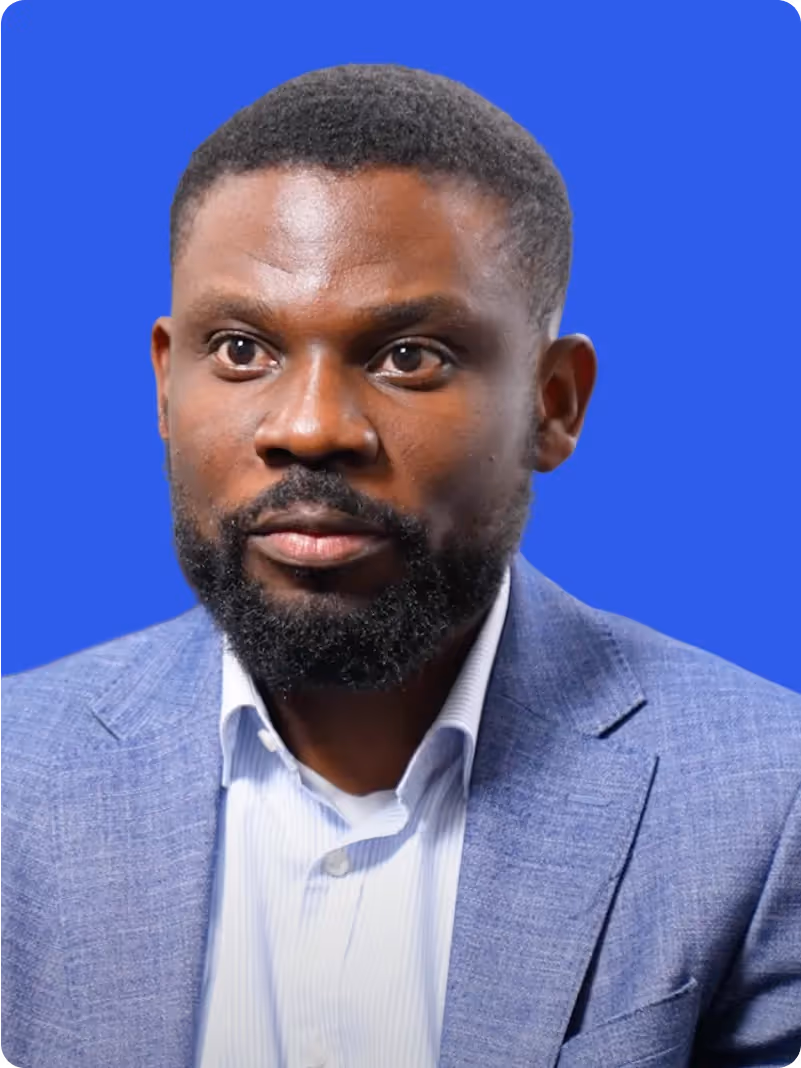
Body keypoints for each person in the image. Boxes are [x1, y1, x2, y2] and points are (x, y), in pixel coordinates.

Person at [1, 64, 799, 1068]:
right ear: (166, 384)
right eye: (243, 349)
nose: (309, 429)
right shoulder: (11, 782)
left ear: (554, 404)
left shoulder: (770, 806)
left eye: (411, 355)